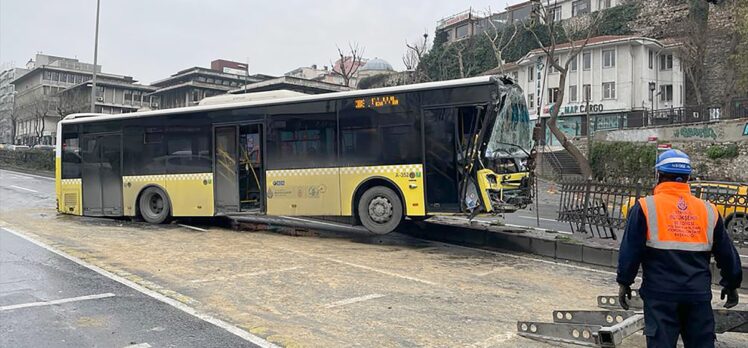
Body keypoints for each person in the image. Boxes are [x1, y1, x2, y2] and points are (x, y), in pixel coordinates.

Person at [616, 149, 742, 348]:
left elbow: (630, 252)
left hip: (660, 296)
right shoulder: (708, 210)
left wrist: (624, 282)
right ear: (688, 177)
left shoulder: (645, 207)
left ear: (659, 175)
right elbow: (727, 254)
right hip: (697, 295)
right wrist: (732, 283)